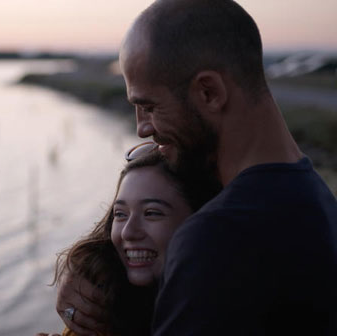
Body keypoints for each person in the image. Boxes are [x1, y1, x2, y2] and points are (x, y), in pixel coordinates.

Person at [56, 0, 337, 335]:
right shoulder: (316, 198)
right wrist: (98, 266)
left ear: (209, 92)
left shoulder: (217, 238)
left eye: (148, 106)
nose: (142, 128)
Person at [38, 143, 219, 336]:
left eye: (151, 213)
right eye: (120, 214)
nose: (127, 232)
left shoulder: (228, 308)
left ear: (199, 217)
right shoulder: (101, 307)